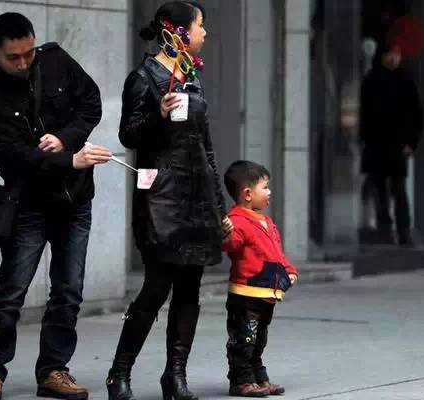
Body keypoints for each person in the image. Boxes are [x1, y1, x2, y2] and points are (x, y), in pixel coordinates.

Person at [0, 12, 111, 400]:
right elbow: (15, 154)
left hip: (74, 199)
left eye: (28, 53)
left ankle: (53, 370)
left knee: (68, 290)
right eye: (12, 57)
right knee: (10, 291)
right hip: (27, 204)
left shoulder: (56, 60)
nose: (22, 62)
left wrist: (65, 138)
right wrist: (69, 160)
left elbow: (91, 103)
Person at [105, 2, 233, 400]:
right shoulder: (144, 78)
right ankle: (119, 372)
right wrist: (157, 115)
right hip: (160, 197)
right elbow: (128, 135)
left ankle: (175, 377)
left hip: (196, 196)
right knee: (156, 286)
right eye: (200, 25)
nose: (204, 33)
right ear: (177, 31)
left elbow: (206, 148)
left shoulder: (192, 76)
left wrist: (218, 205)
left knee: (190, 289)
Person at [222, 161, 298, 397]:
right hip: (246, 295)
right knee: (244, 339)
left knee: (258, 339)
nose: (269, 192)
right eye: (265, 187)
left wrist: (289, 271)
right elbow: (231, 246)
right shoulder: (236, 221)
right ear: (247, 194)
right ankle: (241, 381)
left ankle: (258, 377)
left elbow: (276, 254)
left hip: (266, 295)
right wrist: (225, 233)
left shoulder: (266, 222)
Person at [360, 44, 423, 246]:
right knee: (380, 191)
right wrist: (364, 140)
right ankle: (385, 231)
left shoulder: (406, 81)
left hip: (397, 146)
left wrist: (411, 143)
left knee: (398, 189)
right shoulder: (372, 80)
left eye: (396, 54)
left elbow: (417, 115)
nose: (393, 58)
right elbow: (364, 114)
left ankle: (403, 231)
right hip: (377, 145)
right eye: (390, 54)